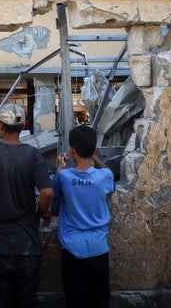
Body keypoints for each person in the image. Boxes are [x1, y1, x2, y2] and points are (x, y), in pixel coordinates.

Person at [0, 103, 53, 308]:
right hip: (27, 244)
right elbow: (47, 192)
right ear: (23, 126)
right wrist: (43, 213)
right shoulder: (33, 154)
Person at [53, 124, 115, 308]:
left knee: (76, 300)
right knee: (100, 300)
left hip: (72, 248)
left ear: (72, 150)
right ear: (94, 149)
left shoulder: (63, 177)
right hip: (98, 247)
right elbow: (108, 177)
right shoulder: (104, 176)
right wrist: (96, 157)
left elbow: (54, 193)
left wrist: (60, 166)